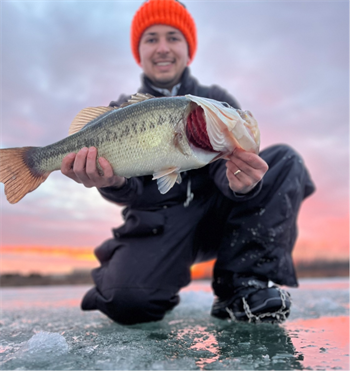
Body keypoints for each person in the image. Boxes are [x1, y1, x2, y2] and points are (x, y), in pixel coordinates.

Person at [61, 0, 315, 325]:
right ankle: (121, 273)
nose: (163, 47)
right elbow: (133, 190)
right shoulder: (121, 110)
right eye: (151, 38)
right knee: (129, 303)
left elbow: (223, 167)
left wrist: (242, 183)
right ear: (139, 51)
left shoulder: (214, 102)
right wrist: (111, 182)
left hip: (215, 220)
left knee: (285, 161)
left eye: (173, 37)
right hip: (159, 227)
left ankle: (241, 287)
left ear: (188, 48)